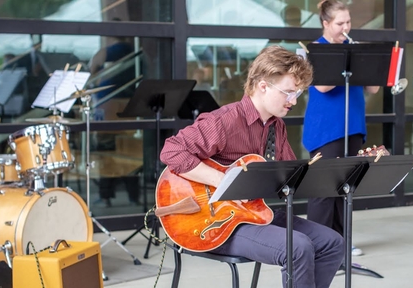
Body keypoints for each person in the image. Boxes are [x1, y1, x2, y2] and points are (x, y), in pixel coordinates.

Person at [160, 45, 344, 288]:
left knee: (333, 242)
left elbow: (289, 175)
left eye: (297, 93)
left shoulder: (276, 126)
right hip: (217, 223)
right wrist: (224, 182)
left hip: (253, 212)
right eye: (288, 92)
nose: (293, 101)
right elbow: (171, 151)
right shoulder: (225, 120)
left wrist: (335, 175)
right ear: (263, 85)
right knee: (298, 247)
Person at [302, 0, 379, 257]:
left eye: (348, 22)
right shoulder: (317, 49)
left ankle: (342, 242)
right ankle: (319, 246)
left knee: (346, 188)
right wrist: (348, 59)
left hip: (353, 126)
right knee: (323, 191)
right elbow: (323, 87)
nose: (346, 28)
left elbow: (373, 88)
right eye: (340, 23)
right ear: (326, 23)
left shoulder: (351, 48)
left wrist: (369, 64)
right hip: (327, 128)